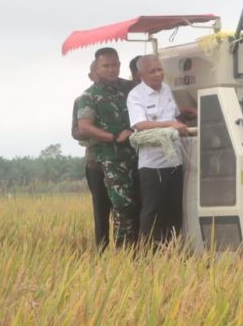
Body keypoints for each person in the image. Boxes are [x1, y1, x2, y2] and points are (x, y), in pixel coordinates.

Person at [76, 47, 139, 248]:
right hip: (103, 160)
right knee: (110, 208)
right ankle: (112, 253)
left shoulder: (130, 89)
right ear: (97, 69)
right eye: (106, 66)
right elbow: (83, 127)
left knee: (133, 205)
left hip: (134, 156)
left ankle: (134, 249)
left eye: (115, 65)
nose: (111, 69)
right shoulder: (88, 96)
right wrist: (113, 137)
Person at [127, 54, 191, 245]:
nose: (157, 74)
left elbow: (177, 116)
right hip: (152, 166)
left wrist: (188, 115)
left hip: (175, 162)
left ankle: (172, 252)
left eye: (160, 69)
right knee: (152, 212)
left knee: (174, 211)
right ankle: (148, 255)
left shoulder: (167, 90)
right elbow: (140, 125)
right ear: (140, 75)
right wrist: (170, 125)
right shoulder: (136, 95)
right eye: (152, 71)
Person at [71, 59, 111, 251]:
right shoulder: (83, 100)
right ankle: (102, 250)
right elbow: (76, 131)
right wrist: (96, 134)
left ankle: (128, 251)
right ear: (91, 75)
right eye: (103, 68)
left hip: (122, 161)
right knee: (101, 209)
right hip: (96, 163)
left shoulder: (121, 96)